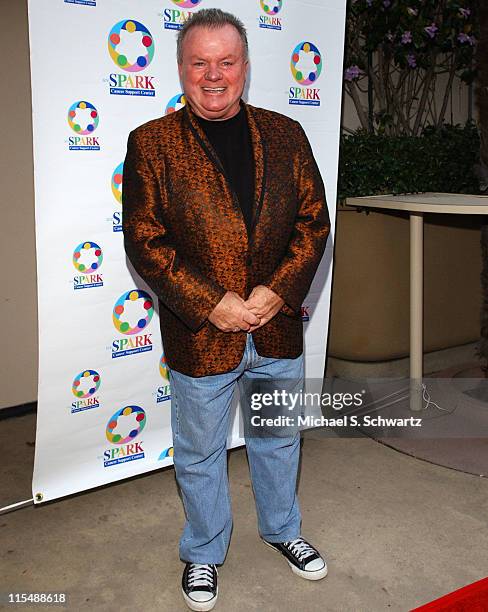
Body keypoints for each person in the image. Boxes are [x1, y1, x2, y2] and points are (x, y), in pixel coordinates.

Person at [122, 8, 330, 611]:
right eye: (199, 62)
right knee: (200, 452)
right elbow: (145, 240)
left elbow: (313, 225)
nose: (213, 75)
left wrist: (279, 291)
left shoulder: (287, 133)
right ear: (182, 69)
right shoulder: (152, 143)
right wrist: (210, 304)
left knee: (277, 438)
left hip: (276, 327)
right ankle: (204, 553)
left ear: (245, 65)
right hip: (201, 334)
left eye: (226, 61)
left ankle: (283, 531)